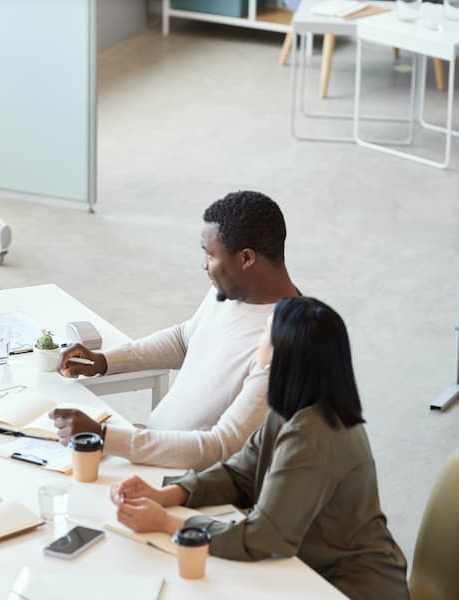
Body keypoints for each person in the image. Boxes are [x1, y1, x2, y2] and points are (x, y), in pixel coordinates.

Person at [111, 297, 409, 599]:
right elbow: (240, 473)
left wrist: (168, 523)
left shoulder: (313, 433)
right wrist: (169, 494)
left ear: (283, 352)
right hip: (309, 570)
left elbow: (265, 537)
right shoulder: (294, 408)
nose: (259, 339)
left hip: (348, 588)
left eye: (265, 331)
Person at [51, 191, 300, 469]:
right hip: (151, 447)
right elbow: (185, 339)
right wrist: (104, 361)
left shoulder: (285, 340)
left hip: (186, 478)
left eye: (210, 255)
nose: (203, 265)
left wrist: (105, 437)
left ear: (246, 258)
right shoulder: (232, 291)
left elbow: (223, 446)